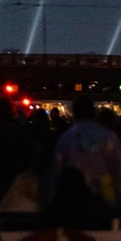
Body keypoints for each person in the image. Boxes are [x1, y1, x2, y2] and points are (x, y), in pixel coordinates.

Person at [46, 95, 121, 225]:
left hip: (73, 199)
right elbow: (117, 169)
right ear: (93, 113)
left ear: (75, 114)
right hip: (104, 198)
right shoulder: (109, 137)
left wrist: (49, 200)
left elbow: (56, 171)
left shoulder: (66, 138)